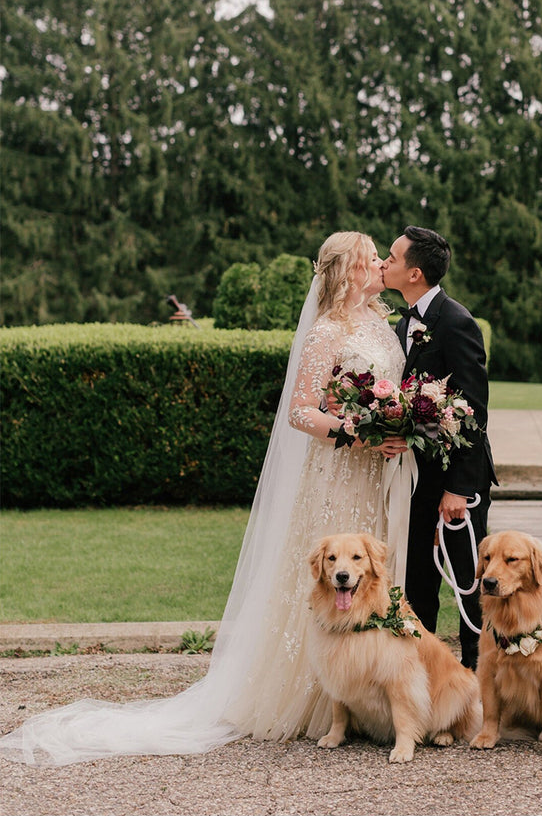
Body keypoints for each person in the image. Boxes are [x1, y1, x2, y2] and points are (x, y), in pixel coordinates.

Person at [0, 232, 407, 765]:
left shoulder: (382, 325)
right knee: (331, 578)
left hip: (375, 475)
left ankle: (369, 694)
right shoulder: (326, 332)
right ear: (346, 271)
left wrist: (394, 426)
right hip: (336, 475)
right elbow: (300, 411)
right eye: (369, 258)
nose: (379, 264)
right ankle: (315, 699)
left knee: (371, 578)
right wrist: (358, 433)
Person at [381, 226, 496, 670]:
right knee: (418, 583)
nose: (383, 264)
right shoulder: (403, 322)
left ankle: (478, 680)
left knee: (470, 587)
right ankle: (424, 678)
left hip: (455, 485)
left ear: (413, 273)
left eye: (391, 258)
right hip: (415, 479)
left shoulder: (457, 322)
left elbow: (473, 413)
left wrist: (458, 490)